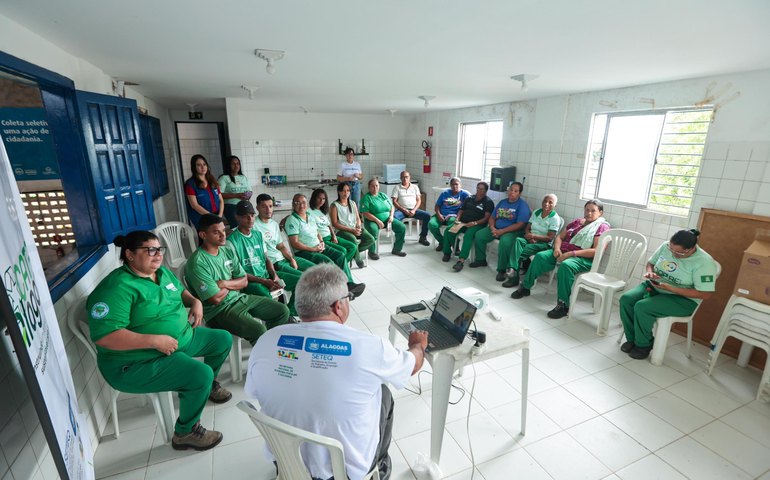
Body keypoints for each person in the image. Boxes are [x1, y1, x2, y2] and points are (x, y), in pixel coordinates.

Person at [245, 264, 428, 480]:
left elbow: (254, 393)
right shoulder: (369, 347)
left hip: (285, 460)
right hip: (344, 474)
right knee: (384, 394)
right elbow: (412, 366)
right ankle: (379, 466)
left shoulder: (267, 340)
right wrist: (418, 345)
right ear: (338, 306)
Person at [87, 230, 232, 451]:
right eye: (150, 250)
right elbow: (106, 337)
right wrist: (153, 340)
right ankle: (186, 432)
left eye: (159, 249)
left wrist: (195, 301)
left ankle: (206, 388)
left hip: (181, 339)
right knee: (200, 373)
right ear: (130, 255)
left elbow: (181, 292)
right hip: (136, 362)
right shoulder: (116, 288)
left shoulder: (162, 273)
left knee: (222, 339)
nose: (158, 255)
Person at [185, 214, 290, 345]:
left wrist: (224, 283)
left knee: (282, 311)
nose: (223, 235)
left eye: (223, 230)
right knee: (259, 330)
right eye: (216, 232)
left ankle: (270, 346)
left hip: (239, 298)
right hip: (218, 311)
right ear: (203, 235)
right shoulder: (198, 263)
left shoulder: (226, 251)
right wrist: (235, 283)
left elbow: (244, 280)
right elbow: (215, 298)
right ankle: (265, 354)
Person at [619, 229, 717, 360]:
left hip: (683, 299)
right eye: (671, 250)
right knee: (626, 299)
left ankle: (643, 345)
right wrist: (650, 273)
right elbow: (651, 263)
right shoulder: (666, 246)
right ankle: (632, 339)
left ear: (691, 249)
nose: (674, 254)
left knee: (642, 307)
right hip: (656, 286)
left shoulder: (704, 262)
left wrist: (672, 289)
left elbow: (705, 294)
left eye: (679, 253)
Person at [512, 199, 610, 319]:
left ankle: (563, 305)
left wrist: (571, 254)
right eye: (587, 210)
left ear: (600, 213)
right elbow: (560, 237)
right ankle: (526, 287)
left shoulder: (602, 227)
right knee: (540, 256)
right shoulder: (578, 222)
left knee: (566, 265)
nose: (589, 213)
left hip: (582, 258)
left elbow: (596, 251)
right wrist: (557, 249)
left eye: (593, 211)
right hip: (562, 251)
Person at [285, 193, 366, 296]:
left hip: (318, 246)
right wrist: (313, 249)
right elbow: (295, 243)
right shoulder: (292, 220)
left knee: (340, 255)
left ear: (307, 204)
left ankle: (349, 284)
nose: (301, 205)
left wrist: (322, 242)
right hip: (305, 251)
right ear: (293, 205)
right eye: (297, 203)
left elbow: (317, 231)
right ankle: (339, 291)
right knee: (329, 262)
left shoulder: (309, 216)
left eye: (303, 203)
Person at [227, 201, 298, 317]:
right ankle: (278, 323)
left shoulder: (258, 235)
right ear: (237, 217)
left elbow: (266, 259)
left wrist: (274, 275)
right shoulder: (231, 241)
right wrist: (264, 281)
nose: (250, 219)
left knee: (299, 282)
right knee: (273, 302)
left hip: (266, 276)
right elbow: (238, 273)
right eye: (245, 216)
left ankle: (290, 315)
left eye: (252, 215)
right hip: (250, 281)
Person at [470, 182, 532, 280]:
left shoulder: (522, 205)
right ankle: (481, 259)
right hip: (496, 229)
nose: (512, 192)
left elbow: (520, 224)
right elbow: (492, 217)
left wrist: (502, 231)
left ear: (519, 193)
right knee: (479, 235)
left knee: (505, 243)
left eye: (515, 191)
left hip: (512, 231)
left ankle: (502, 270)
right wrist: (492, 228)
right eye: (511, 189)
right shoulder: (502, 202)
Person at [502, 194, 561, 288]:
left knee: (517, 253)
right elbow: (527, 227)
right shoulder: (537, 212)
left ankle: (513, 277)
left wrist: (534, 236)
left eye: (550, 202)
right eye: (545, 201)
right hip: (530, 239)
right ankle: (512, 270)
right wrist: (529, 236)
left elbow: (550, 237)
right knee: (518, 240)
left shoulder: (555, 218)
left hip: (543, 244)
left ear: (555, 205)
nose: (546, 204)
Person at [252, 193, 317, 277]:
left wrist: (291, 259)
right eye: (264, 207)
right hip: (274, 262)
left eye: (270, 206)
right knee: (303, 278)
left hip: (283, 258)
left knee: (316, 269)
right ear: (257, 208)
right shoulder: (253, 225)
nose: (268, 210)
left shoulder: (274, 224)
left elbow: (281, 246)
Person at [446, 181, 494, 268]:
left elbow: (487, 218)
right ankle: (448, 252)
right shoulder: (469, 198)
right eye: (478, 188)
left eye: (481, 189)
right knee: (449, 230)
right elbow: (461, 210)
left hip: (477, 224)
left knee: (468, 236)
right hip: (463, 222)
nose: (479, 190)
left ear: (486, 191)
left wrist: (475, 223)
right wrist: (458, 218)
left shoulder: (488, 202)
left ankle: (461, 260)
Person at [309, 188, 359, 269]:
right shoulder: (309, 211)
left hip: (330, 236)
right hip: (322, 239)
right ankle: (341, 268)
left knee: (352, 247)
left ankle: (339, 268)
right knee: (343, 250)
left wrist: (334, 235)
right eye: (319, 198)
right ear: (314, 198)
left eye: (324, 198)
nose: (322, 200)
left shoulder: (322, 211)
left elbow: (329, 225)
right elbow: (298, 215)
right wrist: (285, 219)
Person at [330, 182, 375, 268]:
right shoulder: (334, 206)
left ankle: (353, 253)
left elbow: (358, 218)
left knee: (371, 239)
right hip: (342, 231)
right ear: (339, 192)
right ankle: (358, 259)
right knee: (353, 240)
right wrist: (352, 230)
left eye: (348, 191)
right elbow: (335, 224)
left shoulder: (352, 203)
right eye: (343, 191)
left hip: (354, 229)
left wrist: (358, 226)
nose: (345, 193)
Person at [360, 178, 407, 259]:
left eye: (377, 186)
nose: (375, 188)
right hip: (372, 221)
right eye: (372, 186)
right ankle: (371, 252)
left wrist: (392, 216)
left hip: (387, 220)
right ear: (368, 187)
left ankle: (397, 249)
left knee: (401, 227)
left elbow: (392, 207)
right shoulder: (366, 198)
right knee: (373, 230)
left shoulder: (383, 195)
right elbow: (365, 213)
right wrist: (377, 221)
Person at [428, 177, 471, 250]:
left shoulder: (464, 194)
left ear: (460, 185)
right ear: (450, 185)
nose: (455, 186)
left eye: (457, 184)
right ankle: (442, 242)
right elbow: (437, 206)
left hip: (454, 216)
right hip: (441, 214)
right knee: (431, 224)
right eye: (453, 184)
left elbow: (472, 201)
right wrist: (439, 215)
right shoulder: (445, 193)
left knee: (452, 227)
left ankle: (455, 247)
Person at [390, 170, 432, 246]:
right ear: (400, 178)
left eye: (406, 177)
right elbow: (394, 202)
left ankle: (423, 237)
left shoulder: (415, 187)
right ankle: (400, 237)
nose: (405, 179)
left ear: (409, 177)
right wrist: (404, 210)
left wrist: (414, 210)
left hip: (413, 210)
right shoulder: (397, 188)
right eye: (403, 177)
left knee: (427, 216)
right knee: (394, 218)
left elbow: (419, 200)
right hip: (401, 210)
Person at [185, 154, 224, 229]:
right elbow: (195, 206)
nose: (203, 167)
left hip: (216, 216)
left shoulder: (212, 181)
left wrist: (220, 215)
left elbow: (221, 200)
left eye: (204, 164)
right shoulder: (190, 184)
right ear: (194, 167)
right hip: (202, 218)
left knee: (217, 238)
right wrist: (211, 216)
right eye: (199, 165)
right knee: (205, 240)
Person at [218, 155, 252, 229]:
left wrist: (248, 195)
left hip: (244, 205)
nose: (236, 166)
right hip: (231, 206)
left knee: (248, 226)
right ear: (228, 165)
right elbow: (219, 194)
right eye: (233, 164)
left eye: (238, 163)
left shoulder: (243, 177)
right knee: (237, 227)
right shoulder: (224, 178)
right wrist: (236, 195)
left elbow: (250, 191)